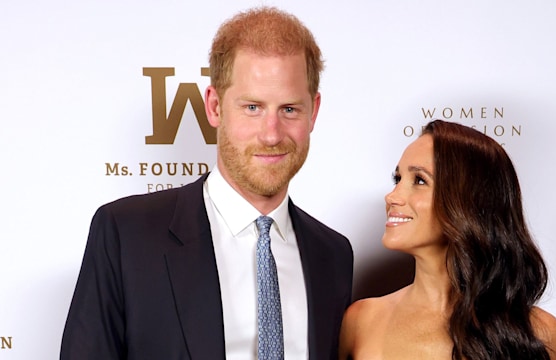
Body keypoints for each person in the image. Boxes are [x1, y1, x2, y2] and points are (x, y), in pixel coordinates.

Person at [61, 7, 353, 360]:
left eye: (289, 109)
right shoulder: (127, 234)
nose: (272, 134)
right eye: (252, 107)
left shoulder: (333, 255)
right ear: (214, 107)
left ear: (314, 112)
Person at [339, 120, 556, 360]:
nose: (392, 196)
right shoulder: (360, 321)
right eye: (398, 179)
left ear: (469, 200)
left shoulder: (539, 332)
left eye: (419, 180)